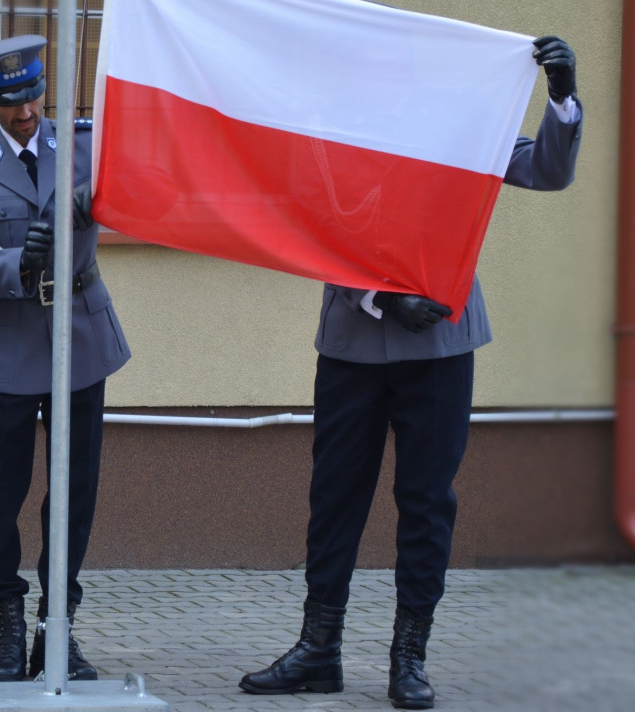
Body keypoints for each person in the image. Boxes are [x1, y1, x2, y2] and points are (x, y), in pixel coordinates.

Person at [239, 35, 582, 709]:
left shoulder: (460, 130)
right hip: (353, 345)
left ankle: (409, 657)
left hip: (441, 345)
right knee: (336, 499)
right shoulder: (334, 132)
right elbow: (314, 222)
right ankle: (318, 649)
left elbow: (546, 171)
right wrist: (379, 293)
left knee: (426, 505)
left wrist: (562, 100)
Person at [0, 35, 130, 682]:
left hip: (80, 331)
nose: (25, 113)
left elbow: (136, 183)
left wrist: (90, 199)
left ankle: (59, 626)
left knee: (72, 492)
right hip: (16, 334)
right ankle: (6, 625)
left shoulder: (82, 144)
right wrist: (18, 261)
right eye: (9, 101)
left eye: (33, 97)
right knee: (1, 492)